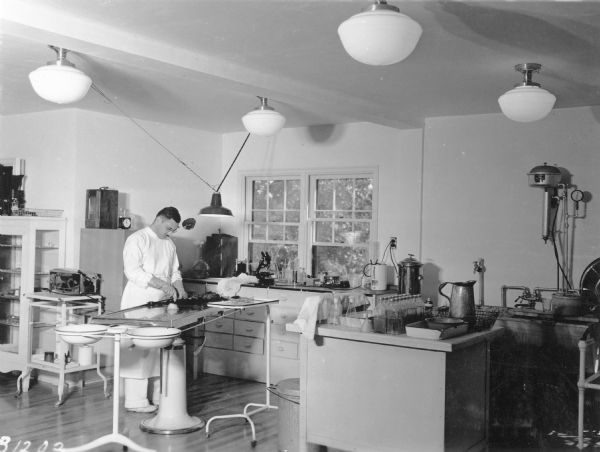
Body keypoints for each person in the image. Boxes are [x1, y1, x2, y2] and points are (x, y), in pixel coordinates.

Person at [120, 206, 188, 413]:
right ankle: (135, 400)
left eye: (173, 230)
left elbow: (174, 271)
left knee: (160, 348)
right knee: (139, 350)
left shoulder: (169, 243)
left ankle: (160, 396)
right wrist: (161, 284)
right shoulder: (138, 239)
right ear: (159, 219)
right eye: (168, 228)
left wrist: (179, 287)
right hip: (138, 300)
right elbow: (132, 271)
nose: (170, 233)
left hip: (161, 303)